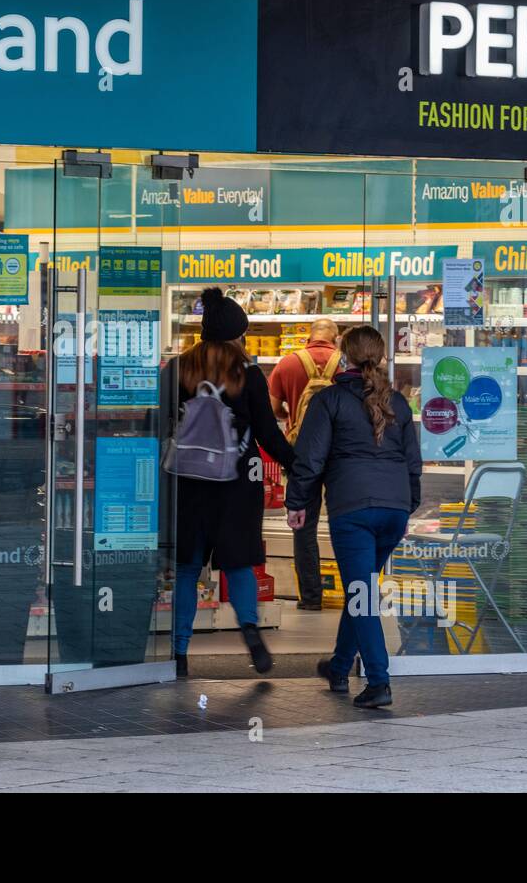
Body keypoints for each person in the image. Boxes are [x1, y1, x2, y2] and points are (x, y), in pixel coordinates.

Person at [162, 287, 297, 677]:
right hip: (237, 483)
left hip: (187, 482)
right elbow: (269, 435)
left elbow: (160, 421)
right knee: (239, 565)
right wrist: (299, 466)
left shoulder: (178, 369)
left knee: (187, 569)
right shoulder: (248, 374)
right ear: (236, 335)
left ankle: (179, 653)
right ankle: (251, 629)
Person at [285, 325, 421, 709]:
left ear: (343, 357)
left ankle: (379, 681)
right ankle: (339, 665)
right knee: (359, 590)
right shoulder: (396, 400)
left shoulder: (329, 400)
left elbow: (309, 460)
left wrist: (296, 503)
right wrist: (408, 505)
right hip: (392, 511)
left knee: (361, 596)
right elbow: (413, 463)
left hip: (354, 511)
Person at [269, 318, 340, 611]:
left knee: (304, 525)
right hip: (340, 454)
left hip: (302, 453)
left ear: (309, 336)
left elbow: (272, 408)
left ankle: (311, 598)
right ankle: (356, 594)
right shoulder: (345, 363)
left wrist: (293, 418)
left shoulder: (287, 364)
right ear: (336, 338)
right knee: (344, 523)